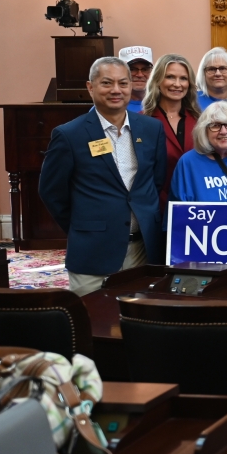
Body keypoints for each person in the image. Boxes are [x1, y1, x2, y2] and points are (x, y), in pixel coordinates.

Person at [38, 57, 166, 296]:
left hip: (143, 249)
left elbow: (154, 181)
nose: (116, 90)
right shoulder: (69, 134)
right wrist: (83, 227)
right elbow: (51, 192)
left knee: (141, 322)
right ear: (91, 87)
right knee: (94, 323)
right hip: (92, 250)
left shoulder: (151, 129)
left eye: (123, 83)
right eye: (107, 83)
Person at [141, 53, 201, 205]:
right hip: (155, 205)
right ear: (157, 80)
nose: (177, 84)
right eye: (170, 77)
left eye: (183, 78)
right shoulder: (141, 121)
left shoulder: (201, 120)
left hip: (197, 205)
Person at [120, 45, 153, 113]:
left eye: (145, 69)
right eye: (132, 69)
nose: (140, 75)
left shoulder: (163, 104)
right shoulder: (108, 107)